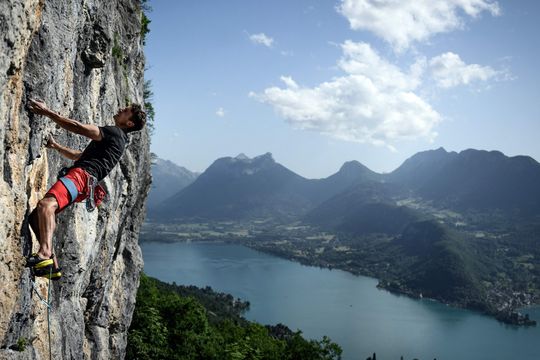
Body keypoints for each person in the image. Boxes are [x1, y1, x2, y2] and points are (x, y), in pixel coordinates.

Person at [25, 99, 146, 280]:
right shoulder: (119, 141)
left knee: (45, 206)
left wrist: (47, 112)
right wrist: (56, 146)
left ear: (129, 123)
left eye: (126, 111)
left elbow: (77, 127)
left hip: (81, 177)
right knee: (36, 218)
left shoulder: (114, 132)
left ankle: (44, 253)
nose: (121, 108)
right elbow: (80, 156)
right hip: (85, 183)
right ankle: (53, 265)